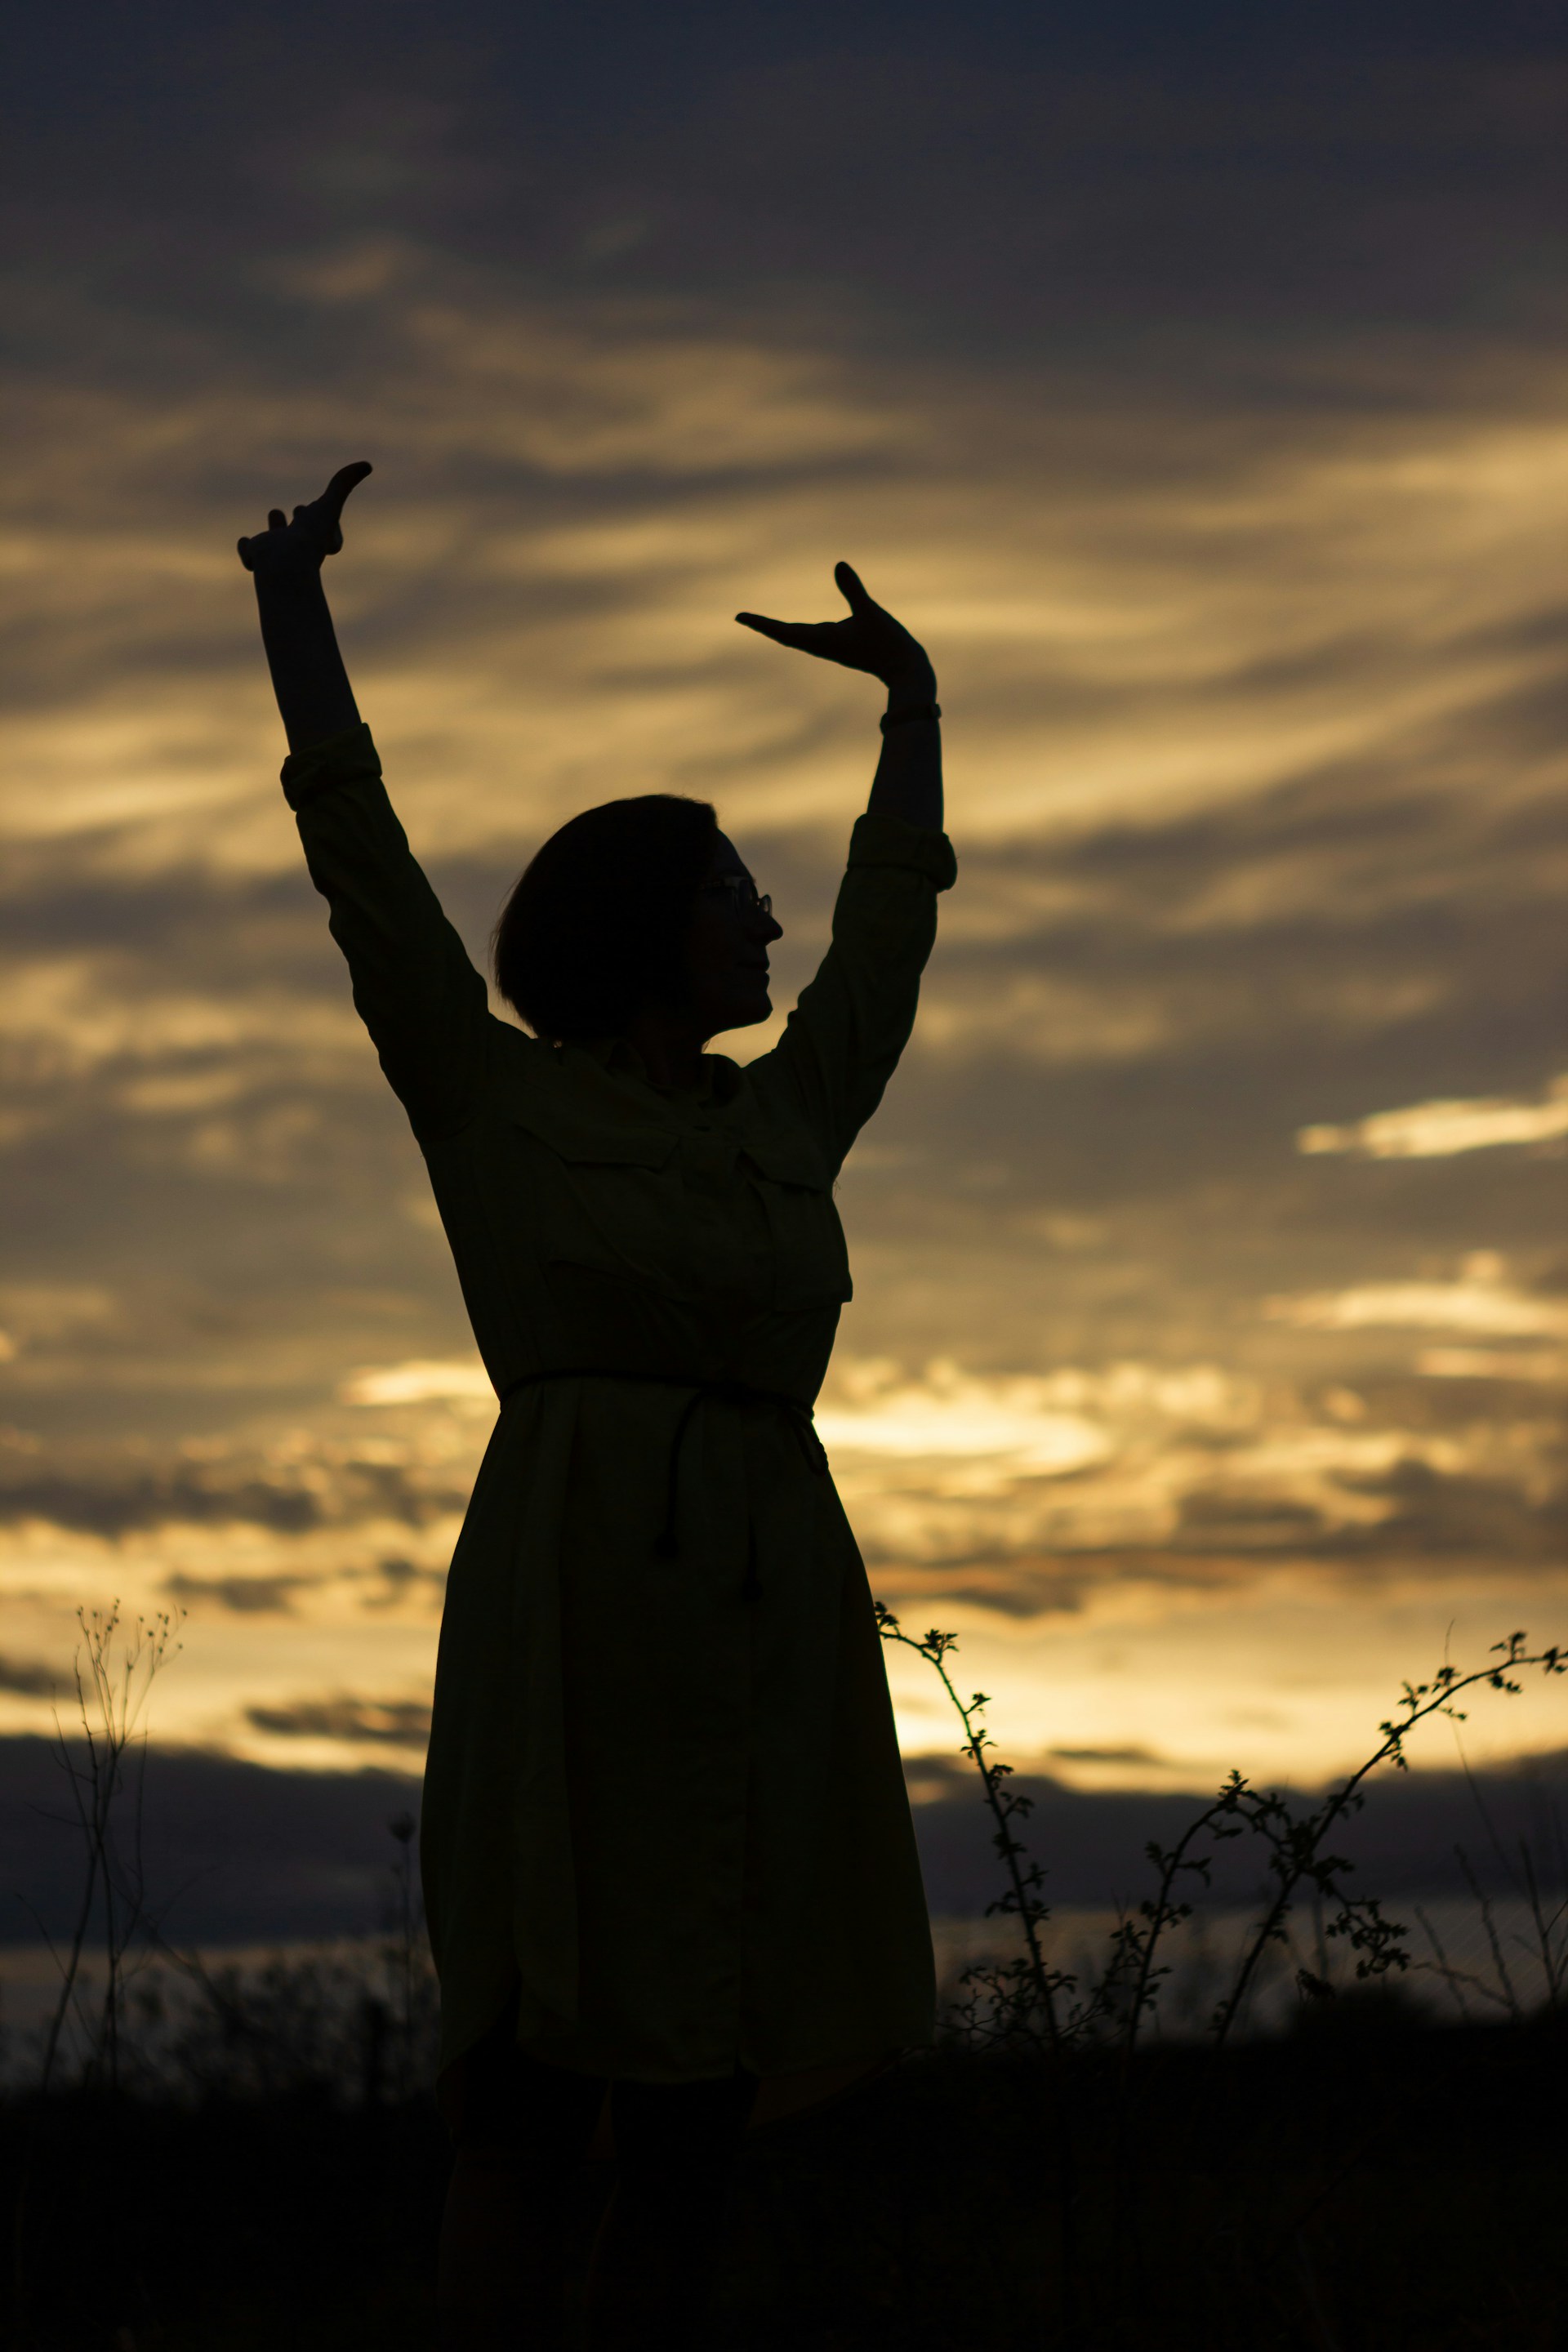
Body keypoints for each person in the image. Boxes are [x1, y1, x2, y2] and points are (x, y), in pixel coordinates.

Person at [238, 461, 955, 2350]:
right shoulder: (493, 1100)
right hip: (575, 1619)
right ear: (648, 927)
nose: (768, 919)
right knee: (539, 2090)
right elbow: (365, 872)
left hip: (767, 1620)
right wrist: (292, 610)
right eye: (733, 892)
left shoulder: (782, 1121)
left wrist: (915, 713)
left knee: (705, 2099)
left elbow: (885, 951)